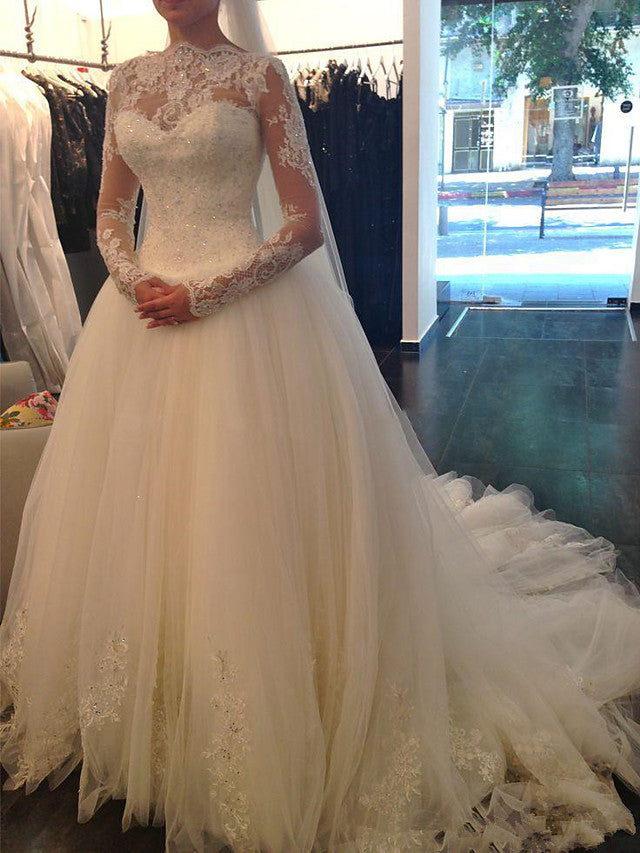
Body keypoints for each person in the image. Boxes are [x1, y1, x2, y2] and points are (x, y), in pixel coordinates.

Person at [1, 2, 640, 852]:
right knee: (147, 513)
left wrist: (207, 293)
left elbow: (304, 225)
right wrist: (129, 280)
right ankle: (162, 684)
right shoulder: (124, 81)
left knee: (246, 507)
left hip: (246, 313)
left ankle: (282, 691)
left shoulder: (259, 76)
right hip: (143, 318)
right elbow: (111, 211)